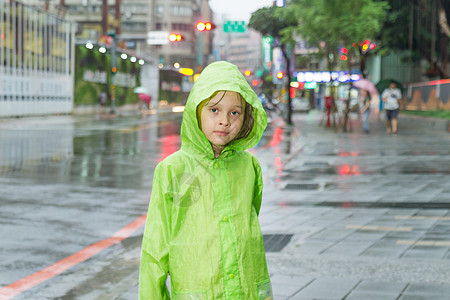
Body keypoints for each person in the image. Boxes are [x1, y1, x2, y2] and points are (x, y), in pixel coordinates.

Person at [139, 61, 272, 299]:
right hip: (198, 290)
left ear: (246, 117)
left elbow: (249, 218)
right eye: (214, 110)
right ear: (195, 111)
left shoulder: (249, 165)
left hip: (247, 288)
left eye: (235, 112)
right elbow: (155, 247)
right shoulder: (173, 169)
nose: (225, 120)